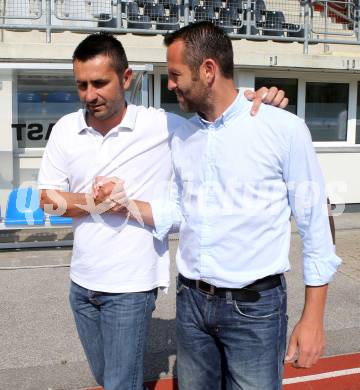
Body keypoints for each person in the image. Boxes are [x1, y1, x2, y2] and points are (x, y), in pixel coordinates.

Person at [94, 23, 341, 390]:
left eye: (176, 75)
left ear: (208, 70)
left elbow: (315, 226)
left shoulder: (283, 129)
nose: (171, 84)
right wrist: (125, 203)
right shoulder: (183, 135)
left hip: (256, 310)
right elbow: (179, 212)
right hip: (191, 304)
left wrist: (313, 318)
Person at [38, 32, 287, 390]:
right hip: (81, 283)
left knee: (121, 383)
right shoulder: (65, 129)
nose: (89, 95)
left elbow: (219, 125)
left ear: (126, 79)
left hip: (131, 285)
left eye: (99, 83)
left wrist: (263, 104)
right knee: (105, 377)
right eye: (81, 85)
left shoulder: (161, 126)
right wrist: (99, 203)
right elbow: (48, 199)